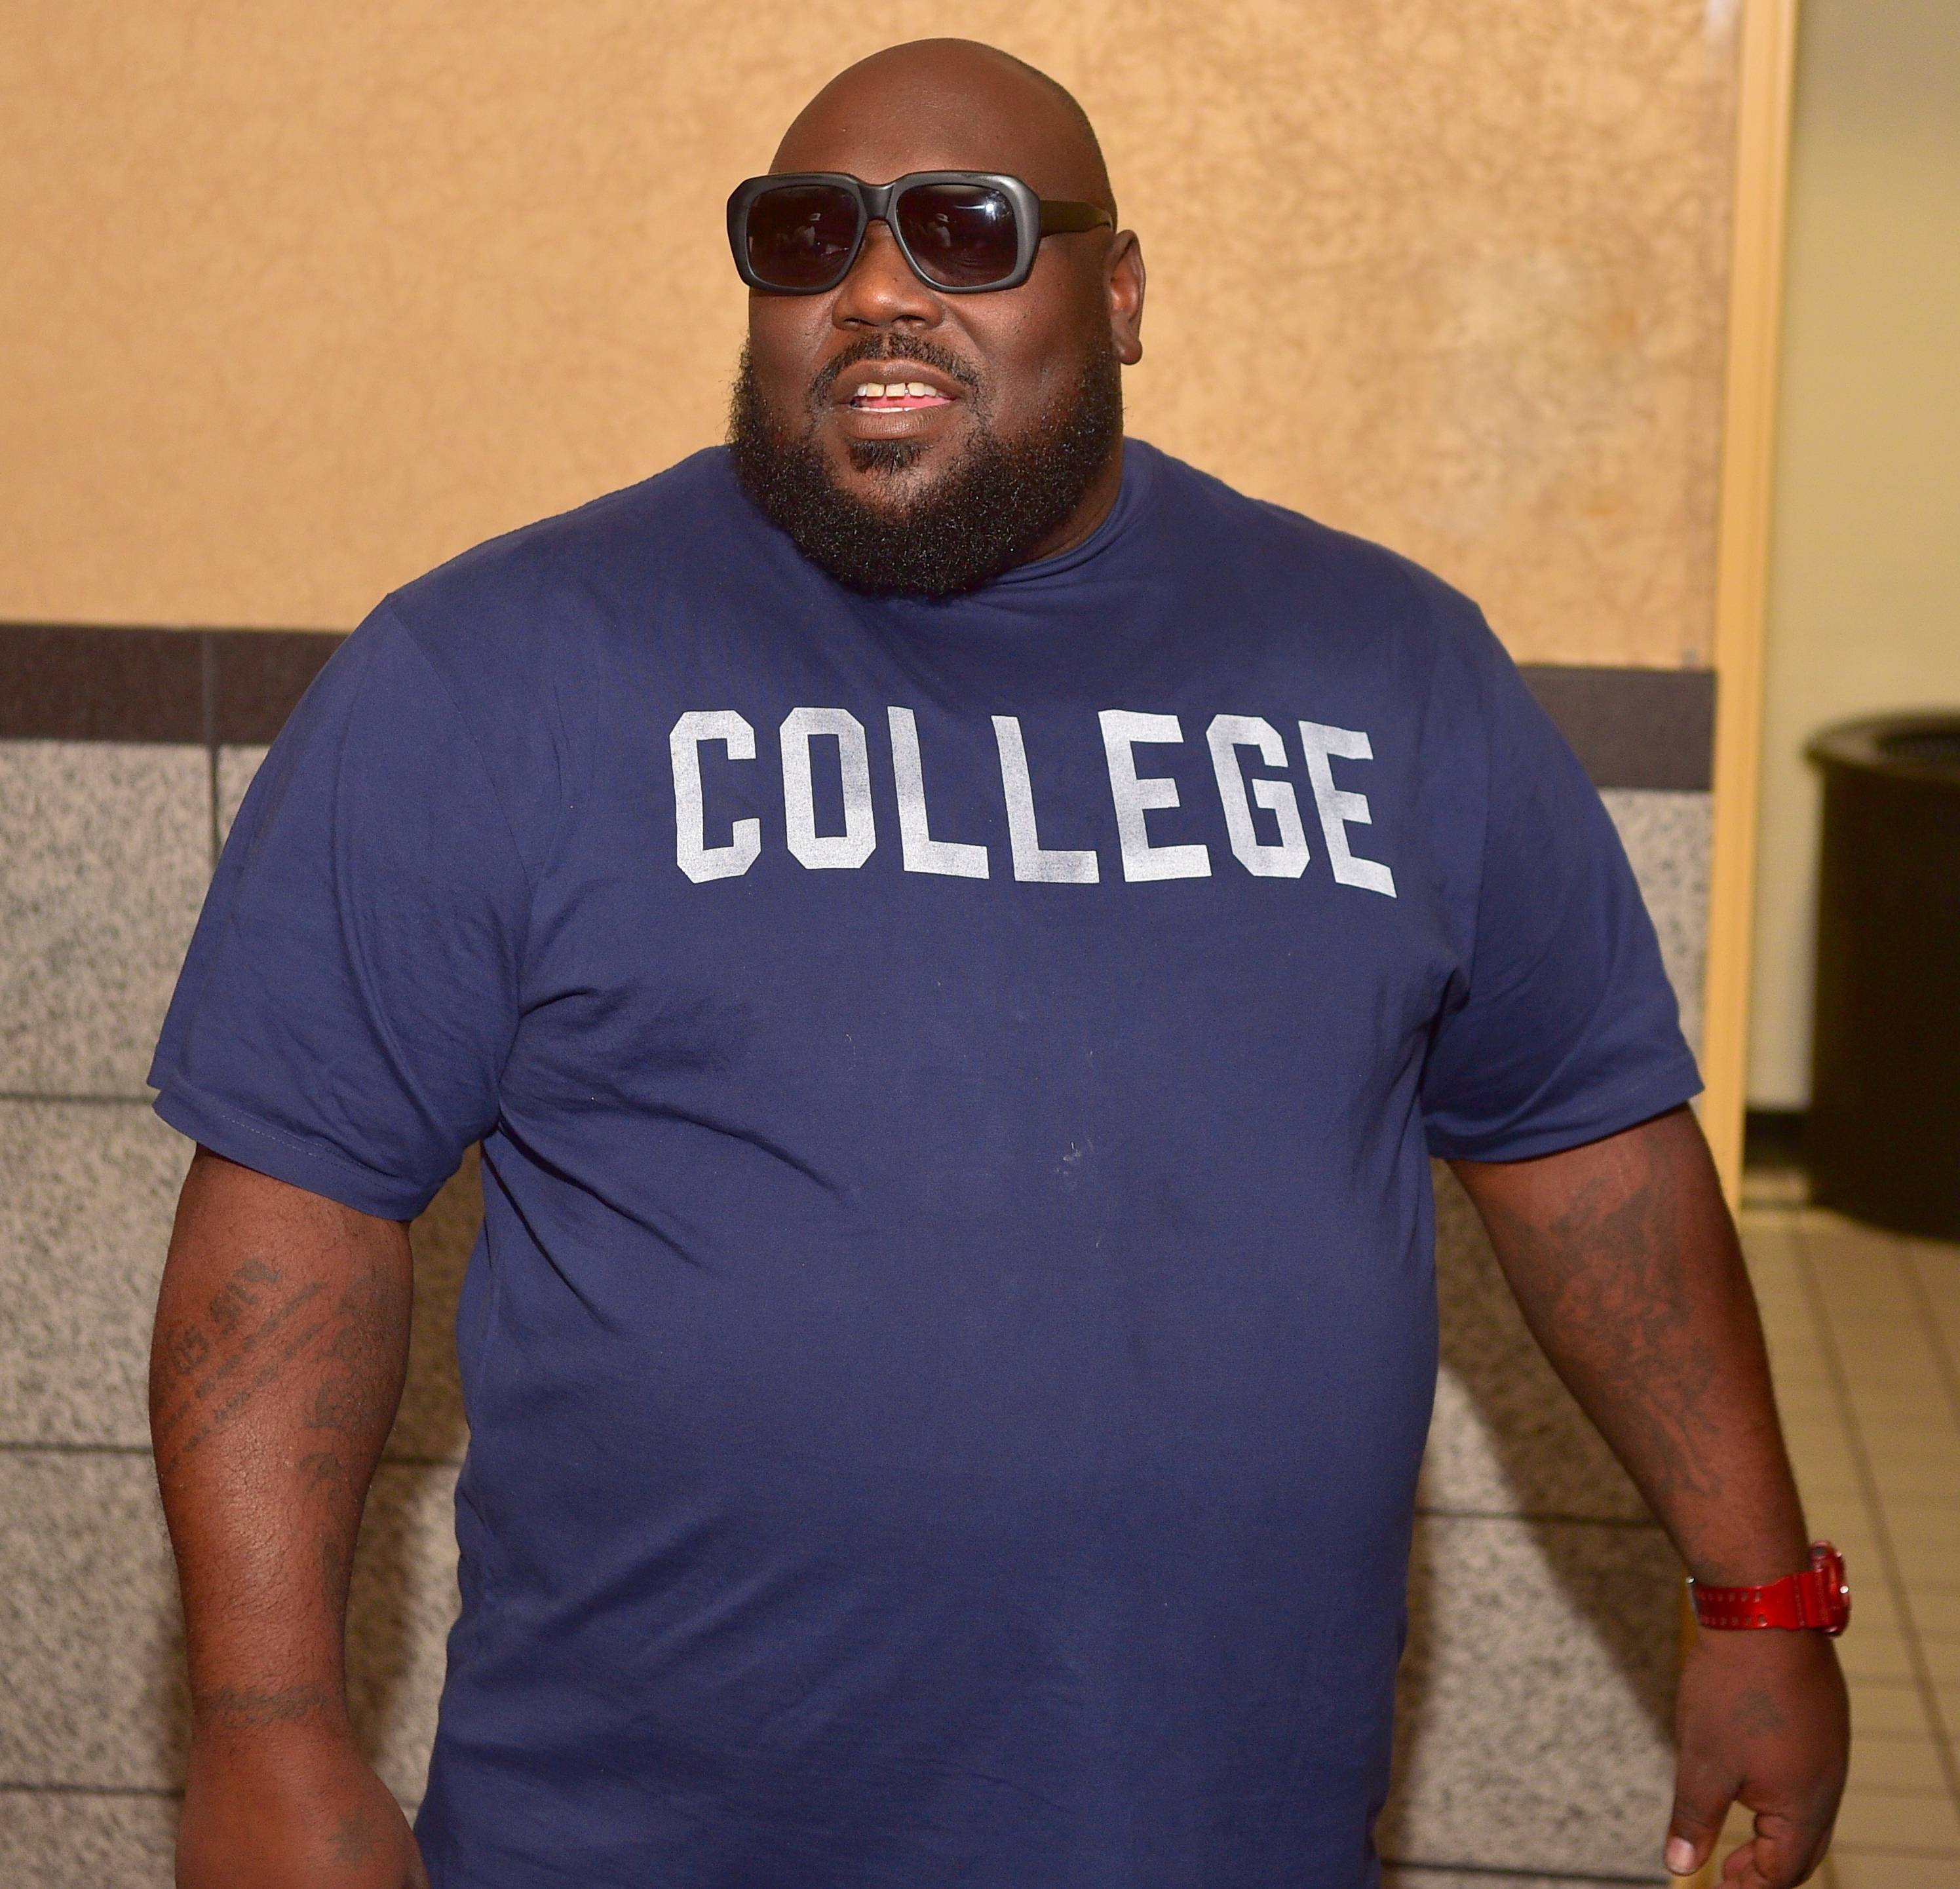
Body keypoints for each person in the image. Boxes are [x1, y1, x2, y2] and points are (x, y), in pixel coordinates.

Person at [147, 37, 1847, 1889]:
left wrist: (1761, 1590)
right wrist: (265, 1724)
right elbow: (290, 1210)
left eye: (967, 231)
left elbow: (1588, 1148)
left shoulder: (1391, 671)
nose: (878, 283)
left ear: (1118, 294)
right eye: (807, 236)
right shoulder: (491, 673)